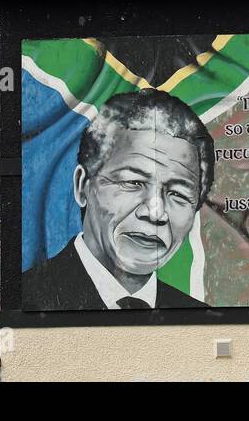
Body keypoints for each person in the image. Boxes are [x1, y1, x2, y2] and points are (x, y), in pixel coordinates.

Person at [23, 88, 214, 310]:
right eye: (133, 183)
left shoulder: (193, 316)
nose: (155, 212)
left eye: (178, 194)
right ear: (82, 186)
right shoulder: (29, 298)